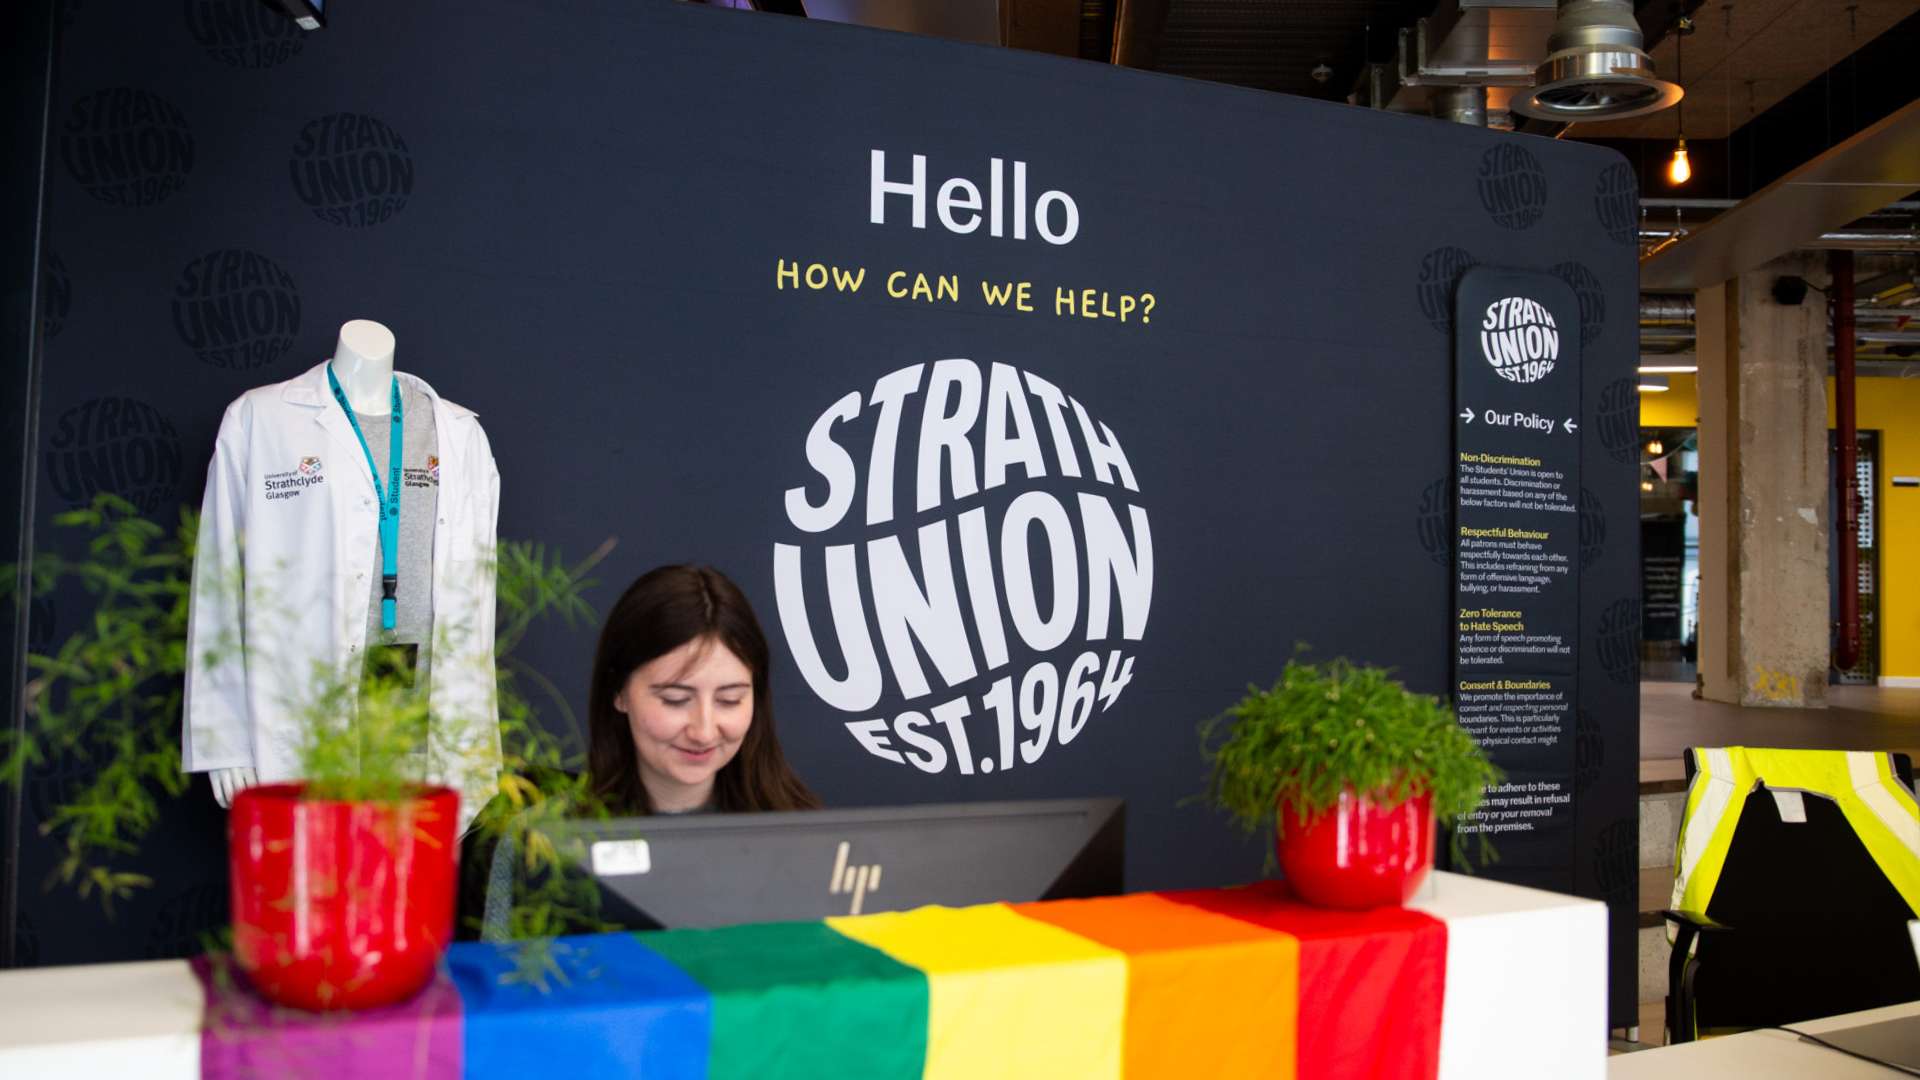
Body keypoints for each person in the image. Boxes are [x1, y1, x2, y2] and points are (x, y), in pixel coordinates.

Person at [460, 564, 818, 939]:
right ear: (619, 692)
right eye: (675, 699)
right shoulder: (543, 840)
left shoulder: (804, 841)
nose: (704, 729)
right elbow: (495, 986)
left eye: (730, 700)